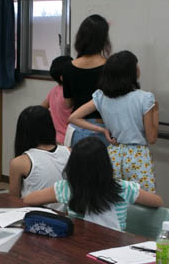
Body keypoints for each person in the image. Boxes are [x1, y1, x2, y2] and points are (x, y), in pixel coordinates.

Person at [23, 137, 163, 232]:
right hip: (115, 247)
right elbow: (158, 201)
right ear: (105, 164)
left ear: (73, 165)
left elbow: (29, 199)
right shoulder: (124, 188)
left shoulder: (67, 188)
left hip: (78, 246)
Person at [70, 50, 159, 192]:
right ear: (131, 72)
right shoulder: (145, 98)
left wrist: (102, 129)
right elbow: (152, 137)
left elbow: (73, 117)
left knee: (113, 198)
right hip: (138, 157)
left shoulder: (101, 96)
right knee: (143, 199)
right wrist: (156, 111)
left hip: (113, 154)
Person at [9, 106, 70, 211]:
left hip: (34, 215)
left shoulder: (19, 162)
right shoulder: (69, 151)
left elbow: (14, 200)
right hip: (66, 215)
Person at [61, 14, 110, 144]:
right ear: (104, 39)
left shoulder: (68, 67)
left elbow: (68, 103)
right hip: (101, 128)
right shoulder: (110, 67)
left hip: (76, 128)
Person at [41, 55, 74, 145]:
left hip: (55, 138)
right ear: (63, 77)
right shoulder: (70, 94)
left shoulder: (53, 90)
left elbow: (41, 108)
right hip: (69, 139)